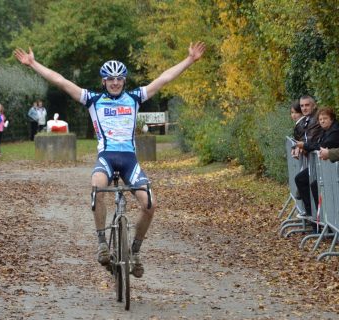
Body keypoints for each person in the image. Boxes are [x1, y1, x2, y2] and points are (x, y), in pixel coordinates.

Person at [14, 41, 206, 278]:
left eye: (119, 79)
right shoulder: (93, 99)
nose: (115, 83)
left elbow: (163, 79)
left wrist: (189, 60)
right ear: (103, 81)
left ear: (124, 81)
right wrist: (33, 64)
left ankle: (135, 251)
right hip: (106, 158)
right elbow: (61, 81)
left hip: (130, 161)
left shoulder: (135, 97)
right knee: (97, 187)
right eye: (110, 79)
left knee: (150, 205)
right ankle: (102, 243)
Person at [294, 107, 339, 216]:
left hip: (333, 168)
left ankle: (319, 217)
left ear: (331, 119)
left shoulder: (336, 132)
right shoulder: (325, 130)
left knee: (313, 185)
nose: (322, 121)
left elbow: (321, 146)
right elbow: (314, 142)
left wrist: (305, 146)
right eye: (320, 119)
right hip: (323, 166)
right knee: (300, 179)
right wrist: (303, 147)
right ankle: (311, 213)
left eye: (325, 118)